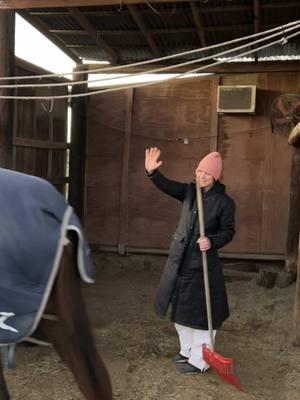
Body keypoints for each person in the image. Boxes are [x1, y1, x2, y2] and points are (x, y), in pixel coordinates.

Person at [145, 147, 235, 375]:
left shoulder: (224, 202)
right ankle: (187, 350)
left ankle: (200, 360)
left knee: (203, 315)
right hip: (180, 261)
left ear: (215, 177)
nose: (201, 176)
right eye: (199, 170)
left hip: (201, 264)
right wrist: (153, 173)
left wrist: (212, 242)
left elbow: (228, 231)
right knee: (181, 311)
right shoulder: (189, 191)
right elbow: (168, 186)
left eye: (207, 173)